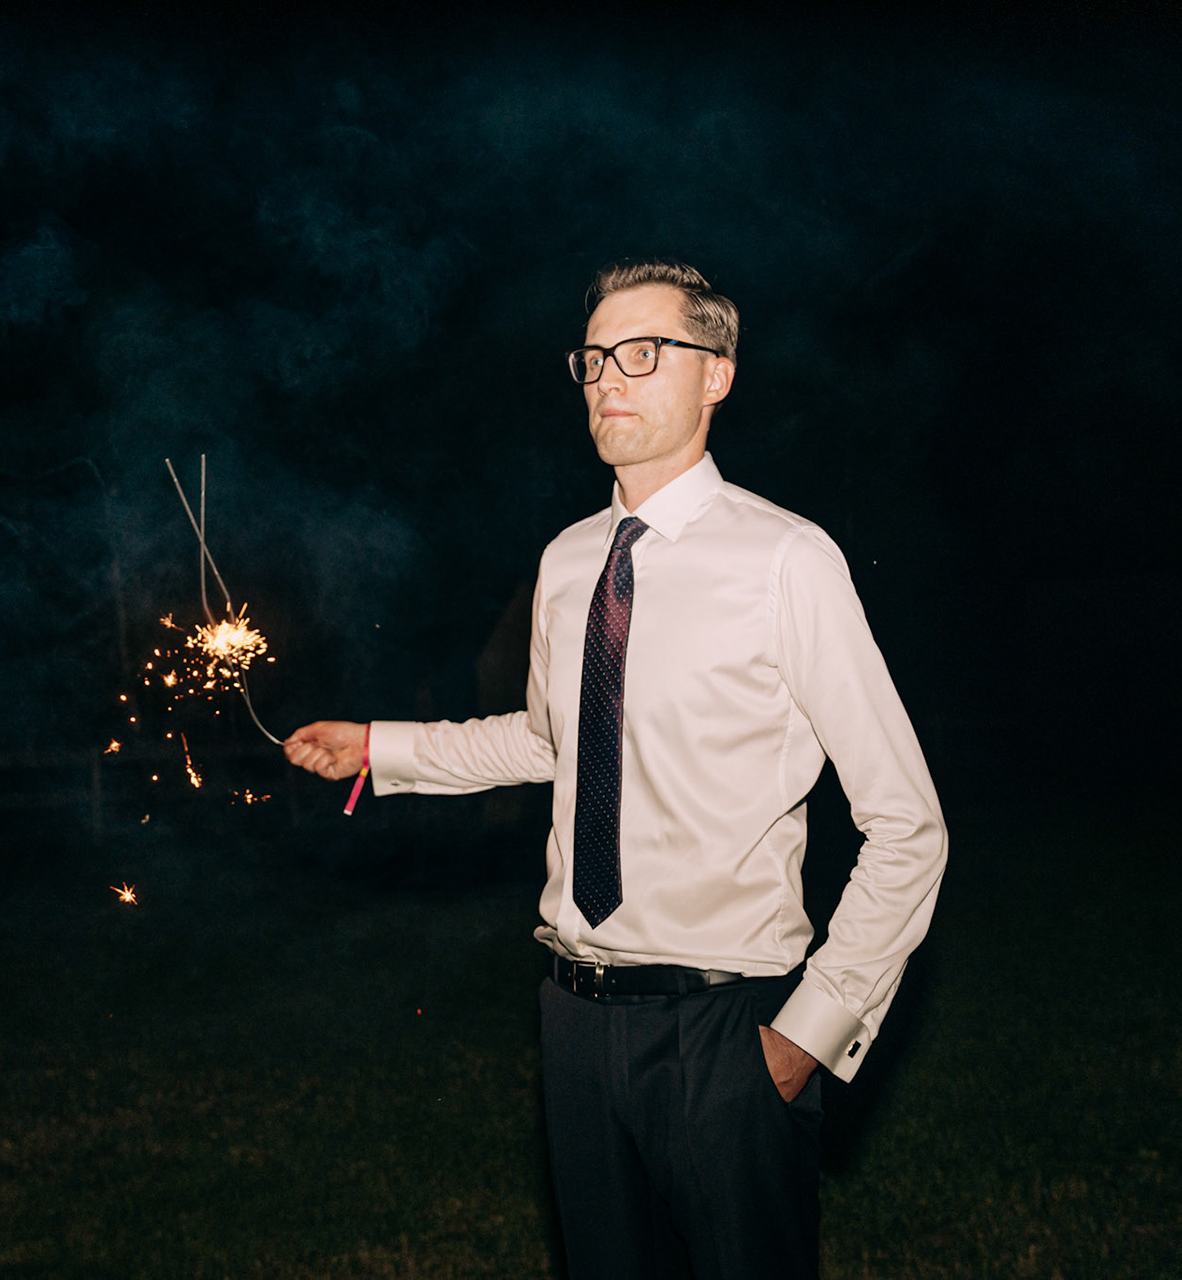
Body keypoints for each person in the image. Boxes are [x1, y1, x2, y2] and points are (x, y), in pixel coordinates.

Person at [283, 260, 947, 1279]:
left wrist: (806, 1035)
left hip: (725, 1025)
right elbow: (550, 742)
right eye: (594, 358)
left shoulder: (785, 560)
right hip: (573, 1021)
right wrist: (380, 744)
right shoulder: (568, 560)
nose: (607, 379)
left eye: (643, 353)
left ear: (716, 374)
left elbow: (907, 824)